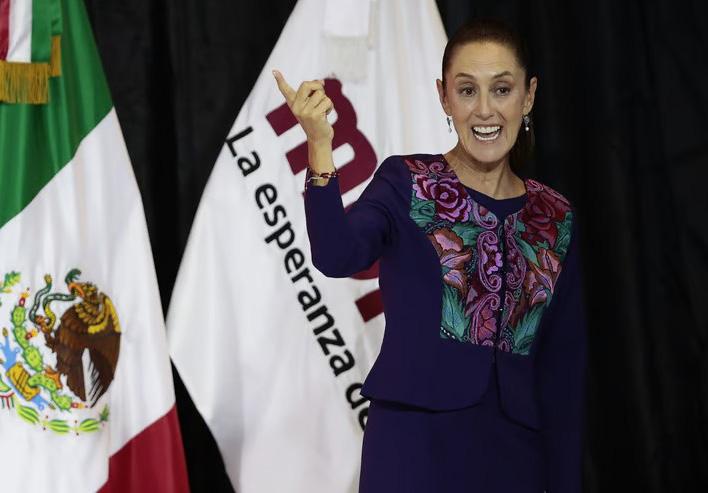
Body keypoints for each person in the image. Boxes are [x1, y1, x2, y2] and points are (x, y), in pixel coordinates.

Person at [273, 17, 586, 493]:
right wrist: (319, 144)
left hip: (515, 459)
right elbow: (337, 255)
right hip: (411, 450)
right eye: (467, 90)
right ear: (444, 97)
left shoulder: (555, 216)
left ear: (528, 96)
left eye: (502, 90)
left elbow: (564, 374)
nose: (485, 110)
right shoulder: (406, 182)